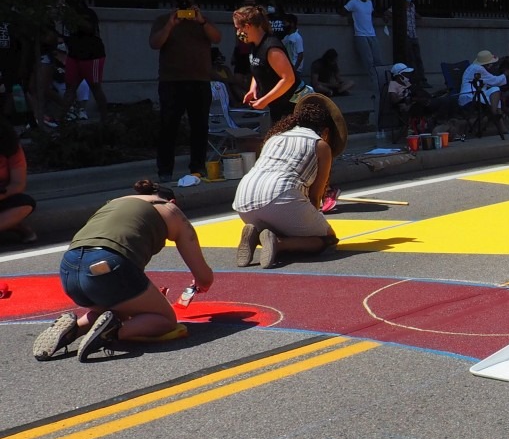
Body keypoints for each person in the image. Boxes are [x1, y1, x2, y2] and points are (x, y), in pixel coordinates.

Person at [32, 179, 215, 362]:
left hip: (69, 270)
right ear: (173, 202)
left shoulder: (113, 204)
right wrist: (201, 283)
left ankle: (75, 328)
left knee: (117, 307)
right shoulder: (169, 209)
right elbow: (204, 277)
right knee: (164, 319)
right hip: (109, 266)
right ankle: (114, 332)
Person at [234, 94, 346, 269]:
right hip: (280, 198)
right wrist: (316, 221)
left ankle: (255, 234)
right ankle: (279, 243)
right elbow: (315, 196)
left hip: (243, 201)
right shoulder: (320, 145)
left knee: (283, 224)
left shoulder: (275, 137)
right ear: (325, 131)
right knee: (328, 240)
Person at [149, 0, 223, 183]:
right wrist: (170, 25)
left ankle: (197, 168)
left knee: (200, 127)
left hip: (199, 80)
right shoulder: (163, 20)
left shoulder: (202, 21)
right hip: (171, 81)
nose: (184, 8)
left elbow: (217, 38)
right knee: (168, 127)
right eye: (180, 4)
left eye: (187, 4)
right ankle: (165, 171)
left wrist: (202, 21)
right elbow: (155, 43)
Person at [235, 4, 302, 122]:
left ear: (247, 26)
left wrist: (264, 100)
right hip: (277, 106)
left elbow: (288, 79)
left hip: (292, 106)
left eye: (238, 28)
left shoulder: (271, 47)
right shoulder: (255, 45)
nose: (238, 32)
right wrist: (253, 89)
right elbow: (259, 67)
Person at [59, 0, 108, 122]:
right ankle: (60, 121)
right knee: (70, 88)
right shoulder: (66, 18)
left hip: (91, 56)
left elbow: (89, 28)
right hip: (74, 55)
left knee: (95, 87)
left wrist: (74, 17)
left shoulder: (87, 13)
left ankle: (105, 119)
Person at [459, 49, 509, 134]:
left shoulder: (474, 67)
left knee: (495, 90)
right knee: (495, 93)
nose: (491, 66)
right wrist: (505, 74)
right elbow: (495, 80)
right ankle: (494, 115)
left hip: (477, 93)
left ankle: (494, 115)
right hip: (470, 97)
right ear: (487, 64)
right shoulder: (479, 69)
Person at [0, 117, 36, 244]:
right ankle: (18, 228)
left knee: (26, 203)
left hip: (3, 195)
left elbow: (18, 184)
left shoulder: (11, 147)